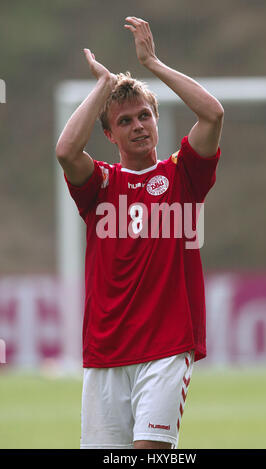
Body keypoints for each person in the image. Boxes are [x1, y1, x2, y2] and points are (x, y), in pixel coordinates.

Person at [56, 16, 224, 450]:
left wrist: (152, 63)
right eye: (125, 121)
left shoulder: (182, 175)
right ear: (110, 134)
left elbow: (212, 113)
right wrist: (104, 86)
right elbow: (65, 150)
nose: (138, 126)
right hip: (105, 353)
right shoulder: (100, 186)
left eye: (144, 115)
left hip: (166, 349)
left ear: (156, 119)